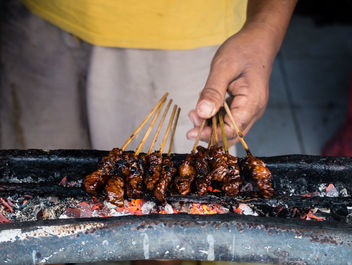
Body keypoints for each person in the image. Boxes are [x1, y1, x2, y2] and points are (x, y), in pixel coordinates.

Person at [1, 0, 296, 264]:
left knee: (165, 237)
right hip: (37, 20)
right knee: (41, 206)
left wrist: (264, 31)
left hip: (181, 33)